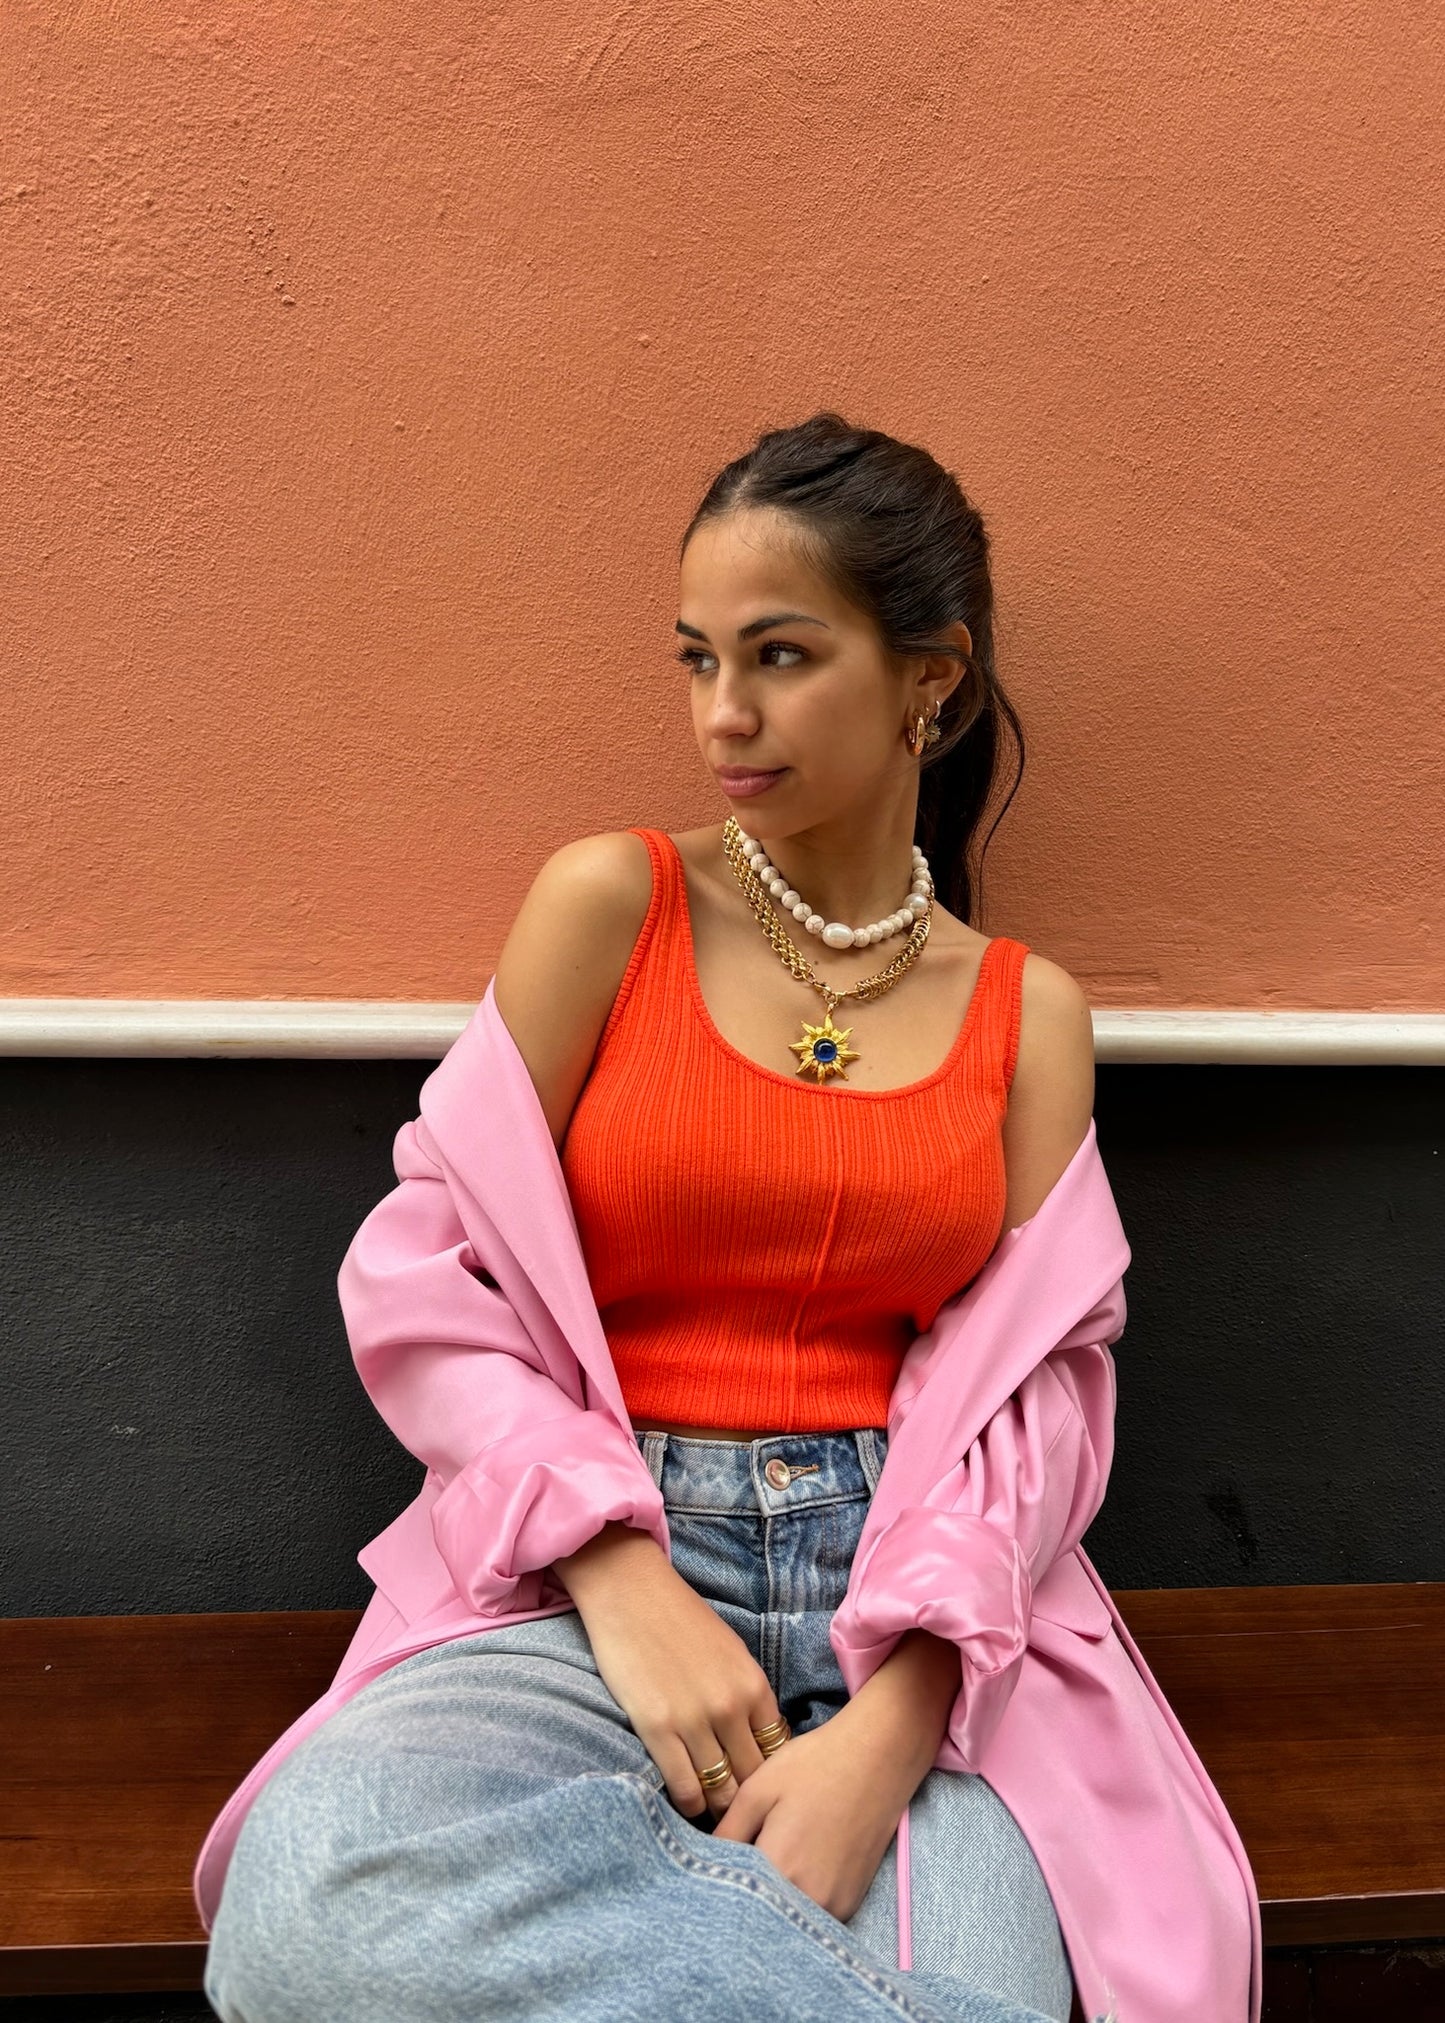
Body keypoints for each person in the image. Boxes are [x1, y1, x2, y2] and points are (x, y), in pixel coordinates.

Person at [201, 411, 1131, 2023]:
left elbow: (1042, 1393)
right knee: (311, 1909)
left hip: (915, 1600)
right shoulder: (609, 905)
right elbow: (430, 1268)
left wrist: (896, 1722)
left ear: (931, 680)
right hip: (581, 1565)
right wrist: (621, 1576)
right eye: (696, 659)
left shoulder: (1026, 1014)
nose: (721, 715)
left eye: (779, 656)